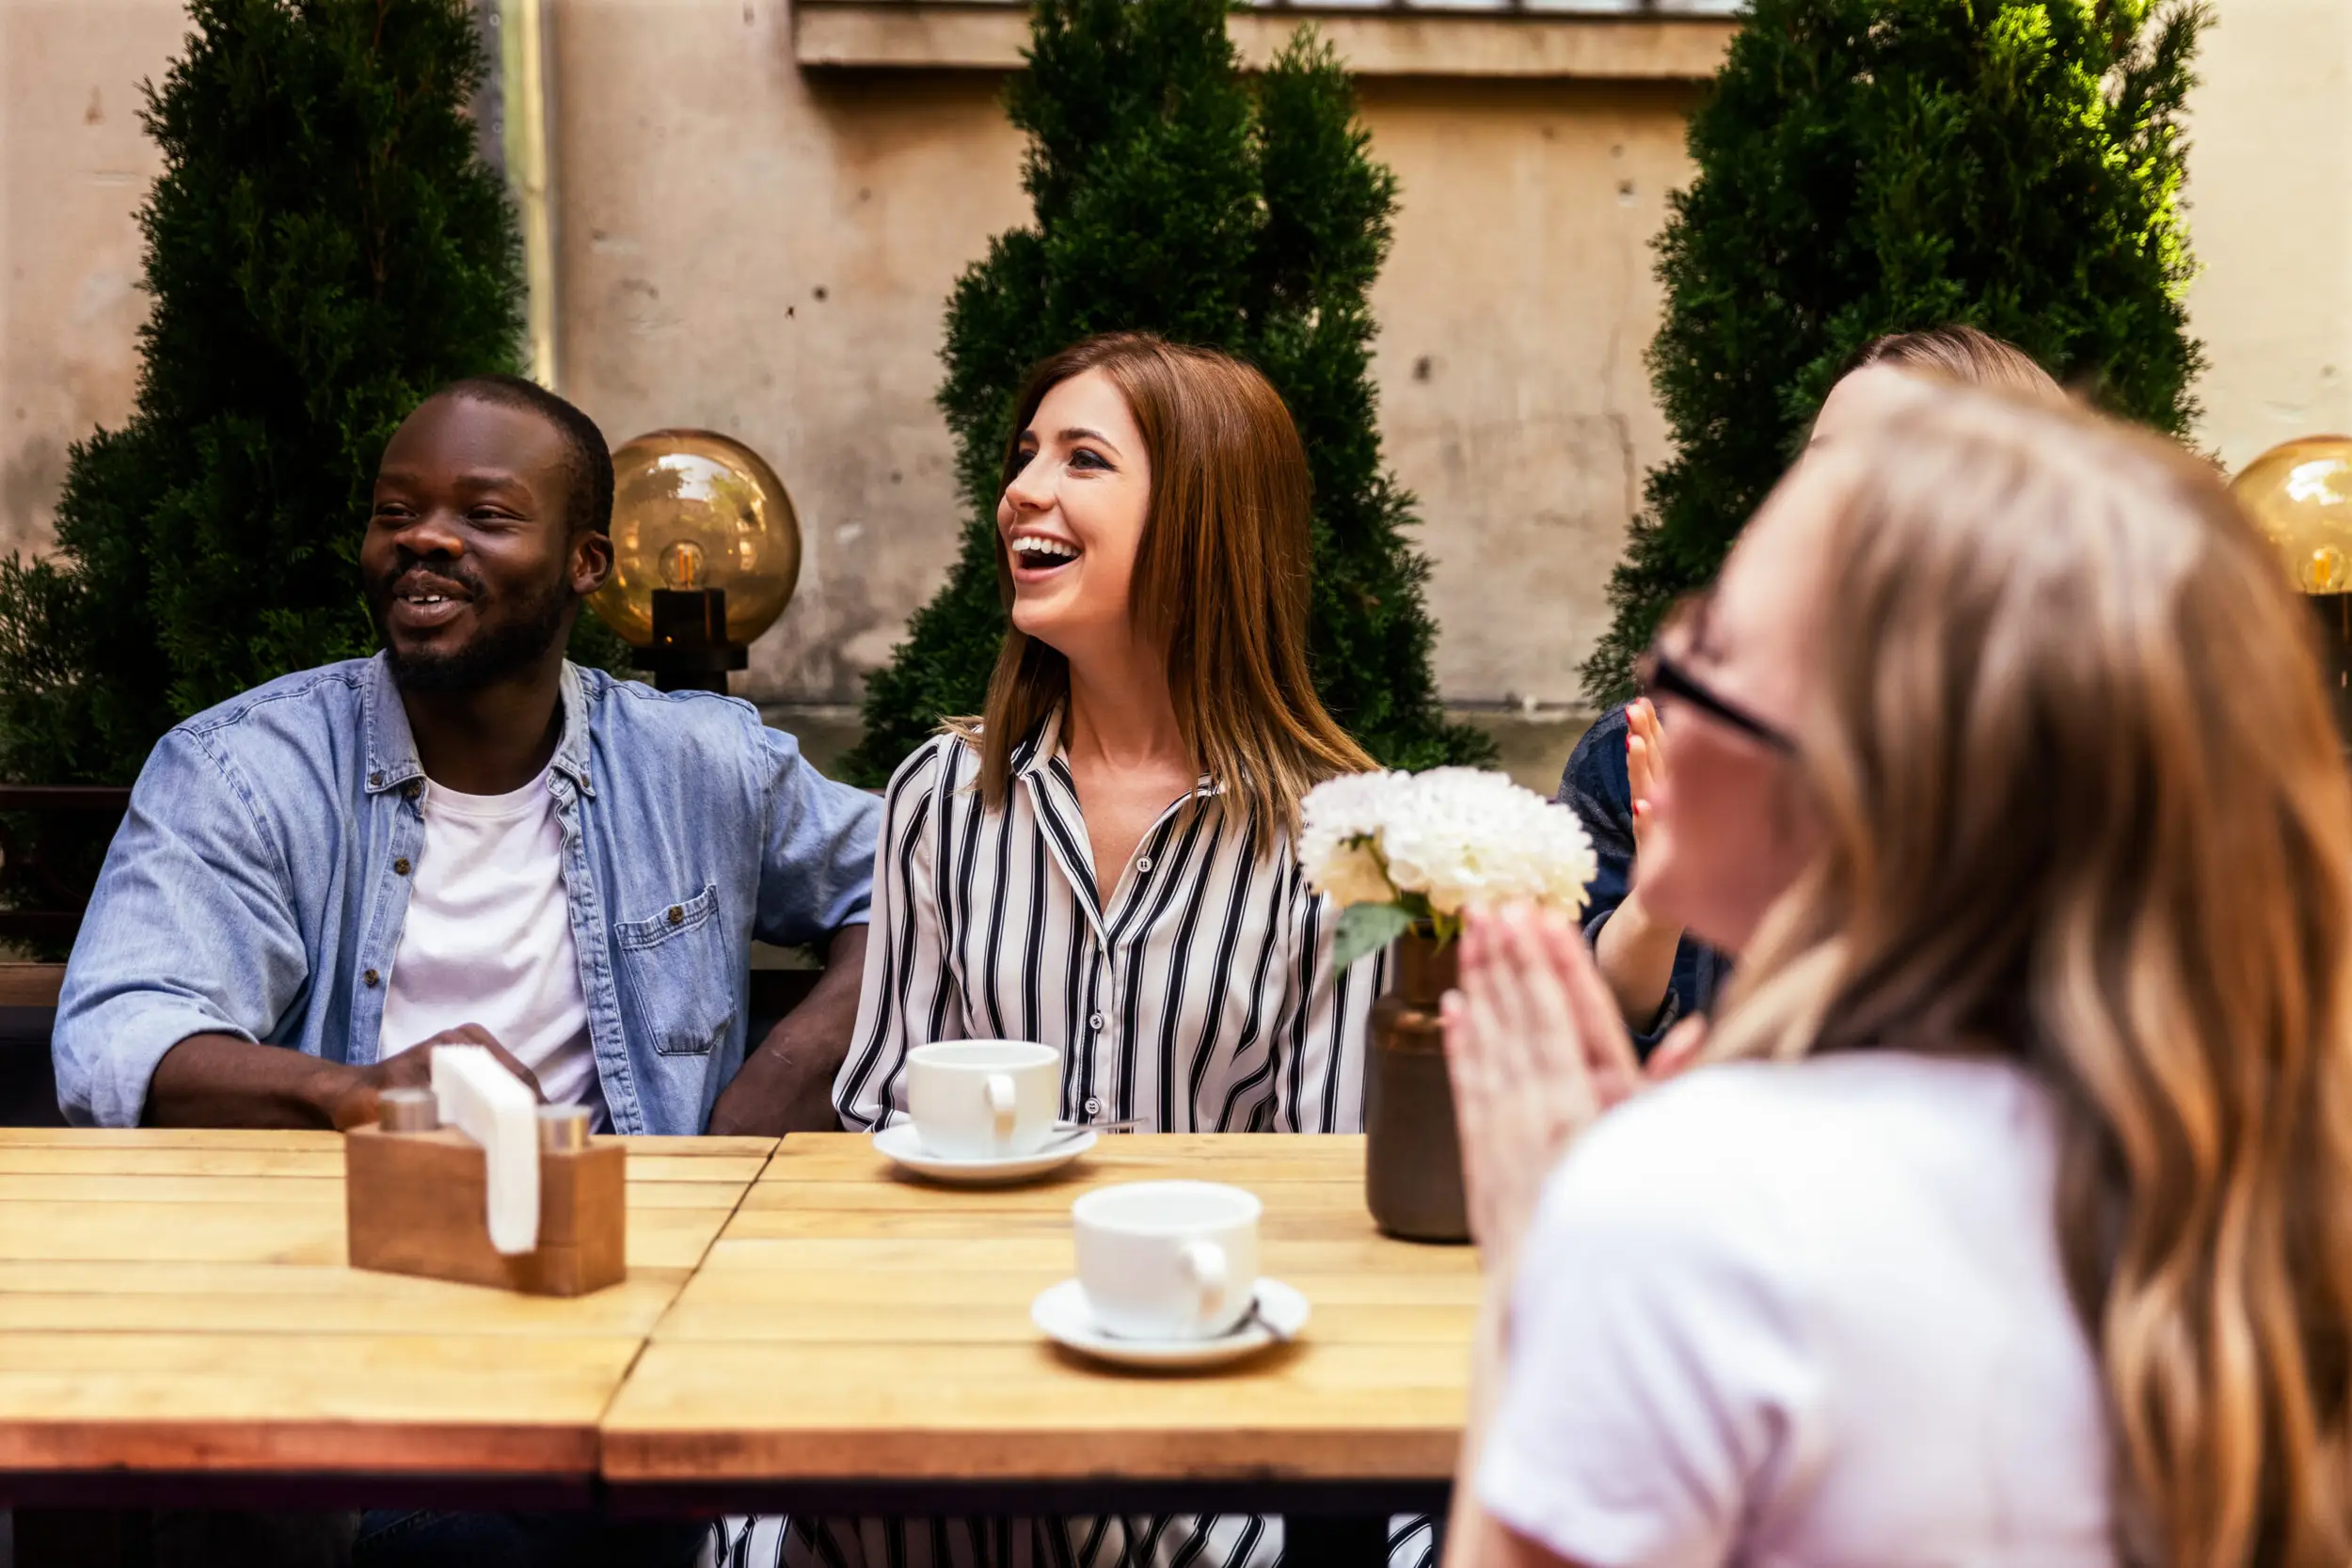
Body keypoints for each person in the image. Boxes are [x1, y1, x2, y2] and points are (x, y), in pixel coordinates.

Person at [1442, 385, 2352, 1565]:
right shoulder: (2263, 1179)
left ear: (1865, 777)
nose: (1657, 669)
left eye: (1710, 641)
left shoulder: (1694, 1211)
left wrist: (1535, 1275)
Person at [49, 377, 882, 1566]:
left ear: (589, 562)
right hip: (358, 1351)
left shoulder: (701, 763)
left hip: (640, 1327)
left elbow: (913, 882)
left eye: (484, 513)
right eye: (397, 512)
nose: (424, 537)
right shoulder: (243, 771)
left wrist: (774, 1086)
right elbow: (117, 1034)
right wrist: (356, 1097)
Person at [715, 334, 1397, 1568]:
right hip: (962, 1376)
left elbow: (1331, 1192)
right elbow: (884, 1127)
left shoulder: (1353, 840)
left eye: (1084, 459)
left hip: (1216, 1403)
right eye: (1025, 455)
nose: (1024, 489)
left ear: (1203, 518)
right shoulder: (940, 795)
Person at [1564, 324, 2065, 1044]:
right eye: (1820, 470)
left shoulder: (2081, 774)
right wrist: (1656, 908)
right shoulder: (1649, 755)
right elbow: (1574, 1048)